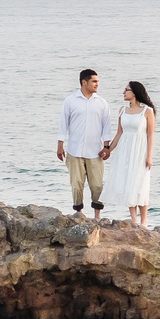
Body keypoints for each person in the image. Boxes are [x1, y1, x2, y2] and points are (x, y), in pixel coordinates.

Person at [55, 68, 115, 218]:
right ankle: (79, 214)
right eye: (94, 81)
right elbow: (63, 124)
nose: (97, 84)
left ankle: (97, 216)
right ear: (84, 82)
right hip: (74, 150)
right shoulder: (70, 101)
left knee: (97, 185)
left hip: (95, 151)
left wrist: (106, 147)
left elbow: (106, 127)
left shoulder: (102, 103)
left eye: (97, 82)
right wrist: (60, 145)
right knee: (76, 184)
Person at [101, 81, 156, 227]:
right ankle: (134, 220)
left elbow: (150, 136)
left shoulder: (147, 111)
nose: (123, 93)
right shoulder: (122, 110)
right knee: (128, 183)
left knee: (140, 183)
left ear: (135, 92)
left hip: (140, 151)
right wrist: (108, 150)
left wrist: (149, 156)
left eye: (126, 90)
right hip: (125, 151)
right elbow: (119, 134)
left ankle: (144, 221)